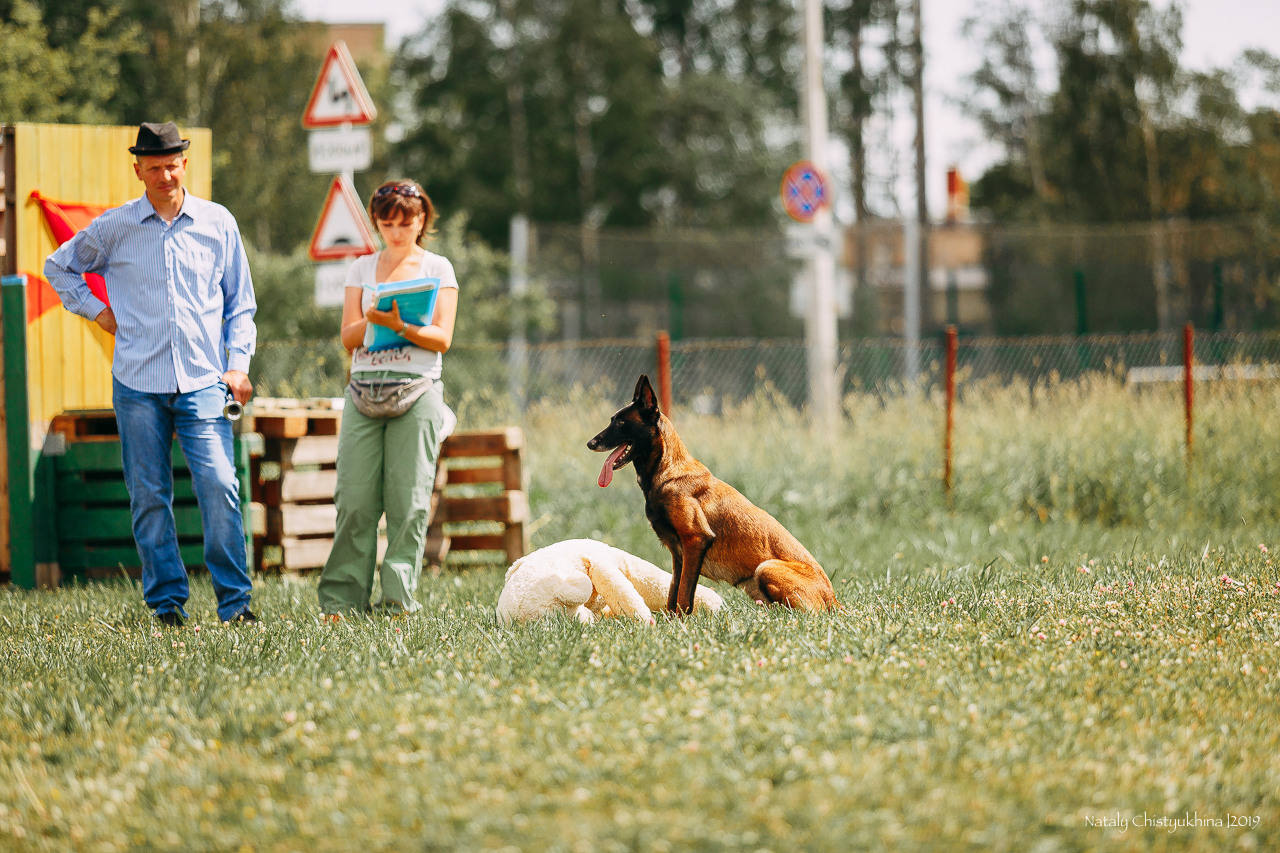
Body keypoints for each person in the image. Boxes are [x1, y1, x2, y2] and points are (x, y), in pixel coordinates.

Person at [44, 121, 258, 628]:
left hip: (205, 381)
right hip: (137, 383)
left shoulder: (218, 222)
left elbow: (240, 305)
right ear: (137, 169)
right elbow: (60, 267)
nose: (165, 175)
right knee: (148, 495)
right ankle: (167, 605)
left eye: (172, 165)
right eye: (154, 167)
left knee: (221, 485)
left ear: (185, 164)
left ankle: (236, 604)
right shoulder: (115, 226)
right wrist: (98, 312)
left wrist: (239, 364)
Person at [317, 179, 459, 618]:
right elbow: (347, 336)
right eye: (388, 221)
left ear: (423, 221)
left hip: (417, 390)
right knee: (355, 499)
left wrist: (399, 326)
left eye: (407, 221)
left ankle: (398, 602)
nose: (397, 230)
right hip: (363, 390)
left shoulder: (438, 268)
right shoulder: (361, 268)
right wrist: (374, 318)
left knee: (409, 501)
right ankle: (342, 601)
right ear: (377, 223)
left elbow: (442, 338)